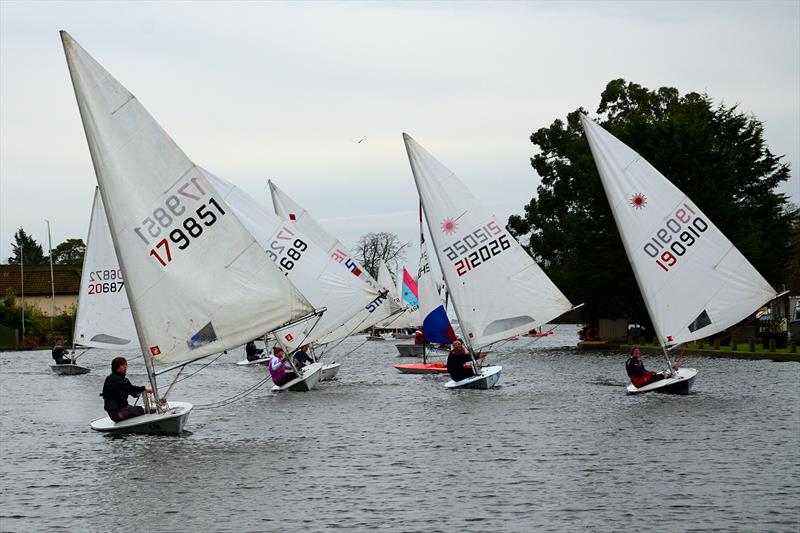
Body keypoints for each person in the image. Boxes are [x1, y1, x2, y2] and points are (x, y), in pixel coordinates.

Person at [101, 357, 153, 422]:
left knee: (139, 409)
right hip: (116, 413)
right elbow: (129, 388)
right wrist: (143, 388)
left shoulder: (123, 379)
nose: (125, 367)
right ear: (116, 367)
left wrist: (140, 390)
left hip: (124, 407)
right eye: (122, 365)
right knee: (140, 409)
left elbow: (132, 391)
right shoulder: (114, 379)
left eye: (126, 365)